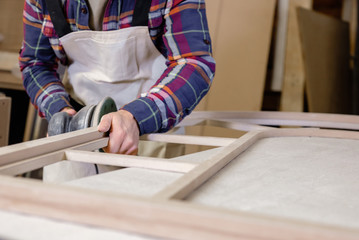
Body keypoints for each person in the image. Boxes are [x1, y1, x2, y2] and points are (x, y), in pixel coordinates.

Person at [20, 0, 215, 177]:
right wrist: (60, 113)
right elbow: (36, 63)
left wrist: (136, 116)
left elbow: (193, 63)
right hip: (76, 131)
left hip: (150, 130)